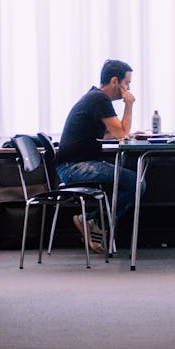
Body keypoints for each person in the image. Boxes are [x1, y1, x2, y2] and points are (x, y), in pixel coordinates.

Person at [56, 59, 145, 252]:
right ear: (115, 81)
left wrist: (127, 133)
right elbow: (121, 134)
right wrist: (129, 105)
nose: (128, 88)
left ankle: (93, 219)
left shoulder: (94, 97)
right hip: (74, 167)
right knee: (137, 183)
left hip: (73, 165)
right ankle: (93, 220)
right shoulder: (99, 99)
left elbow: (114, 133)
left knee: (132, 182)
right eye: (127, 83)